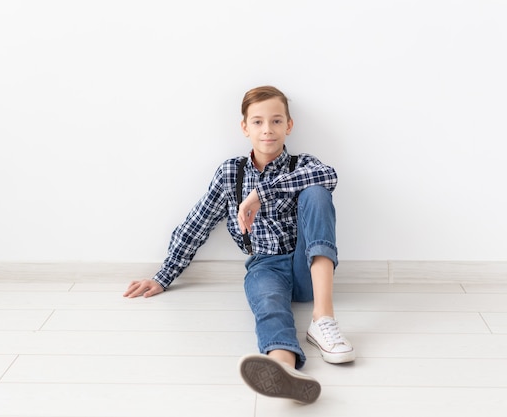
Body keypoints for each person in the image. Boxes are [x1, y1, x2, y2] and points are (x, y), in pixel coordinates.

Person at [124, 85, 355, 404]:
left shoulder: (304, 165)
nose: (268, 130)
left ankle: (323, 319)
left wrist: (262, 193)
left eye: (276, 121)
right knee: (270, 307)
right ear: (244, 127)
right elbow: (197, 224)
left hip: (308, 267)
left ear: (288, 126)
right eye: (258, 122)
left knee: (317, 192)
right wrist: (163, 276)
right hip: (265, 266)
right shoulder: (231, 173)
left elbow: (329, 175)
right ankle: (283, 367)